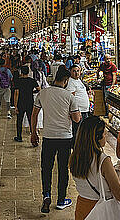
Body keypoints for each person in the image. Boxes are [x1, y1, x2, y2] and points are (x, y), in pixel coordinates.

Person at [31, 66, 81, 213]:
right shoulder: (69, 96)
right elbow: (77, 119)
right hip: (65, 138)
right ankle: (61, 200)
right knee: (62, 169)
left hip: (48, 137)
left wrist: (33, 133)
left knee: (46, 168)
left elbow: (34, 115)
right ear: (66, 80)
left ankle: (46, 194)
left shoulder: (43, 93)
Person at [70, 117, 120, 220]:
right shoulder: (103, 160)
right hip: (100, 210)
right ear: (97, 137)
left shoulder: (75, 157)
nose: (105, 136)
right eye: (104, 134)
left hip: (82, 208)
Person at [13, 65, 39, 142]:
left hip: (21, 103)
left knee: (19, 121)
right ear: (28, 72)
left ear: (21, 72)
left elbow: (16, 93)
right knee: (31, 120)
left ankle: (19, 136)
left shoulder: (18, 81)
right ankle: (33, 135)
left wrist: (15, 106)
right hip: (30, 102)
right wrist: (33, 92)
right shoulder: (32, 80)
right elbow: (39, 89)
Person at [66, 65, 91, 144]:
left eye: (78, 71)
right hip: (79, 111)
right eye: (74, 71)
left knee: (82, 132)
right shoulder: (71, 82)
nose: (76, 73)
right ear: (70, 72)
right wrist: (75, 111)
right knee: (77, 132)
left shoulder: (78, 80)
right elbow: (71, 98)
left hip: (84, 110)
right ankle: (76, 148)